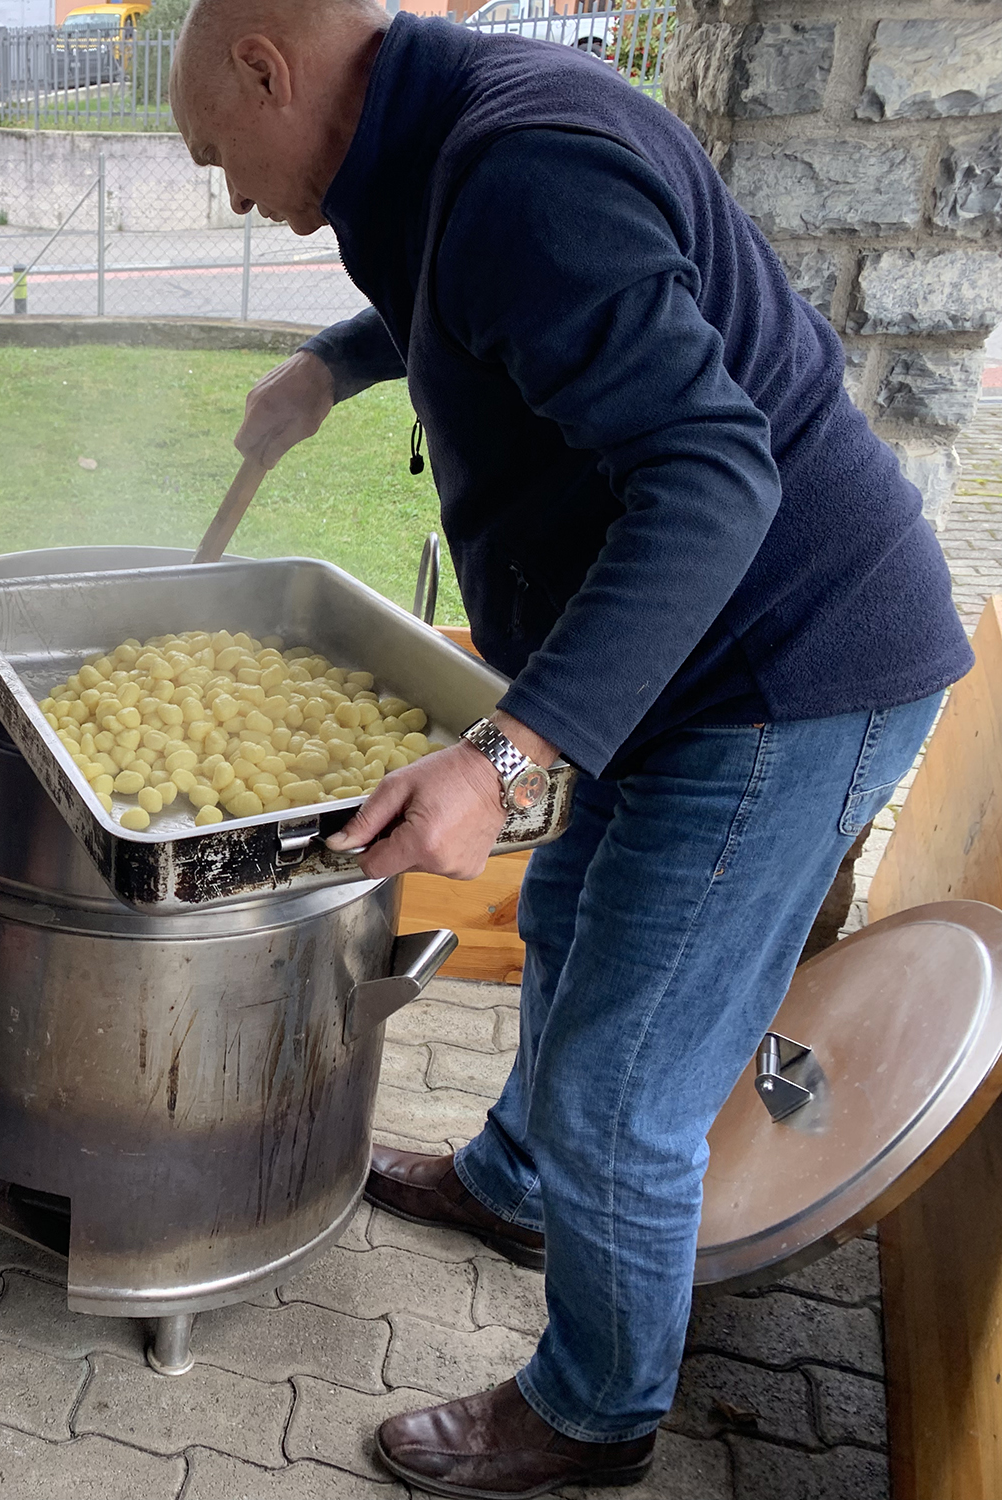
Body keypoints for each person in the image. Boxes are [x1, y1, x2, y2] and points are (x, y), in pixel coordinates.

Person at [171, 2, 969, 1495]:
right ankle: (514, 1182)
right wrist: (333, 370)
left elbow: (714, 475)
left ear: (271, 69)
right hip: (681, 662)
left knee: (626, 1079)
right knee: (566, 915)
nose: (230, 192)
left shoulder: (522, 162)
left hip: (781, 674)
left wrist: (506, 754)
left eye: (220, 151)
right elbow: (487, 299)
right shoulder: (420, 143)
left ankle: (595, 1409)